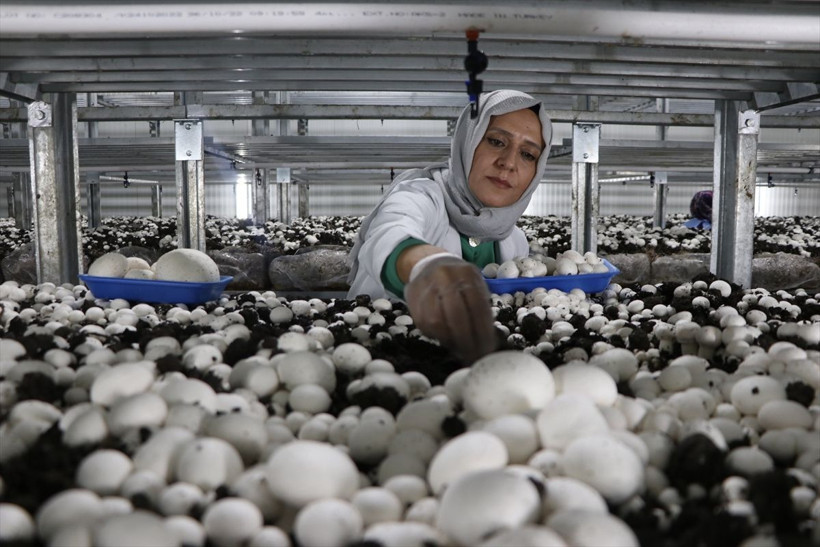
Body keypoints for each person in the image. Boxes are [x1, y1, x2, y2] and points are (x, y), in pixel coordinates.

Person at [347, 90, 552, 362]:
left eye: (527, 154)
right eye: (496, 141)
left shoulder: (514, 241)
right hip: (380, 357)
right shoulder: (420, 197)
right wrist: (426, 268)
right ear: (468, 141)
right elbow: (390, 232)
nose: (509, 163)